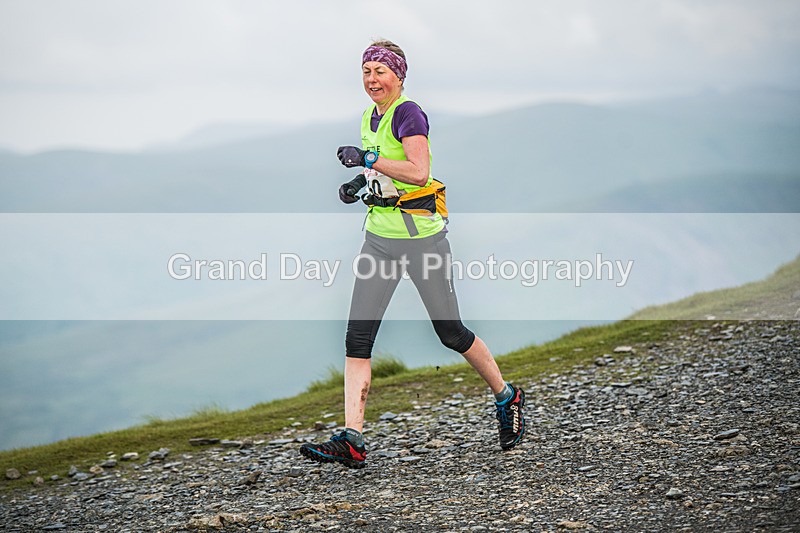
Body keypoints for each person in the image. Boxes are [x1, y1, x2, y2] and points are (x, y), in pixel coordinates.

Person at [299, 39, 525, 469]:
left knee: (451, 333)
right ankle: (352, 438)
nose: (371, 79)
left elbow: (418, 172)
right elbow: (386, 176)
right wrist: (360, 186)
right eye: (365, 71)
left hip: (422, 240)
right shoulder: (369, 116)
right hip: (379, 240)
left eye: (380, 71)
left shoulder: (408, 113)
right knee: (357, 339)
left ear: (398, 75)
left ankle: (507, 396)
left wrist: (368, 157)